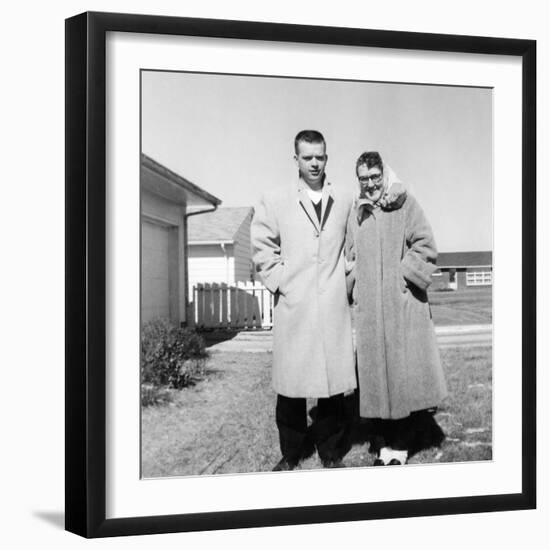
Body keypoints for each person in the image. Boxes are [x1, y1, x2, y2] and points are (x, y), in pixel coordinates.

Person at [251, 131, 404, 471]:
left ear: (327, 157)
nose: (315, 163)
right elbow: (262, 248)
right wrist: (281, 283)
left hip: (332, 306)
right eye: (308, 157)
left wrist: (346, 283)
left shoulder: (345, 198)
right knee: (290, 389)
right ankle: (291, 453)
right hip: (295, 306)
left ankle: (331, 451)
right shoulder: (275, 199)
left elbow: (374, 207)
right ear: (296, 160)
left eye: (320, 156)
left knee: (332, 388)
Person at [346, 151, 447, 466]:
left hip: (400, 306)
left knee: (401, 377)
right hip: (370, 312)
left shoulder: (406, 204)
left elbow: (426, 245)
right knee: (374, 378)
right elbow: (349, 255)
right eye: (364, 179)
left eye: (375, 177)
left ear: (384, 175)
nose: (371, 184)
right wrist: (356, 285)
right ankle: (381, 443)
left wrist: (402, 276)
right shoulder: (357, 211)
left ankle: (400, 445)